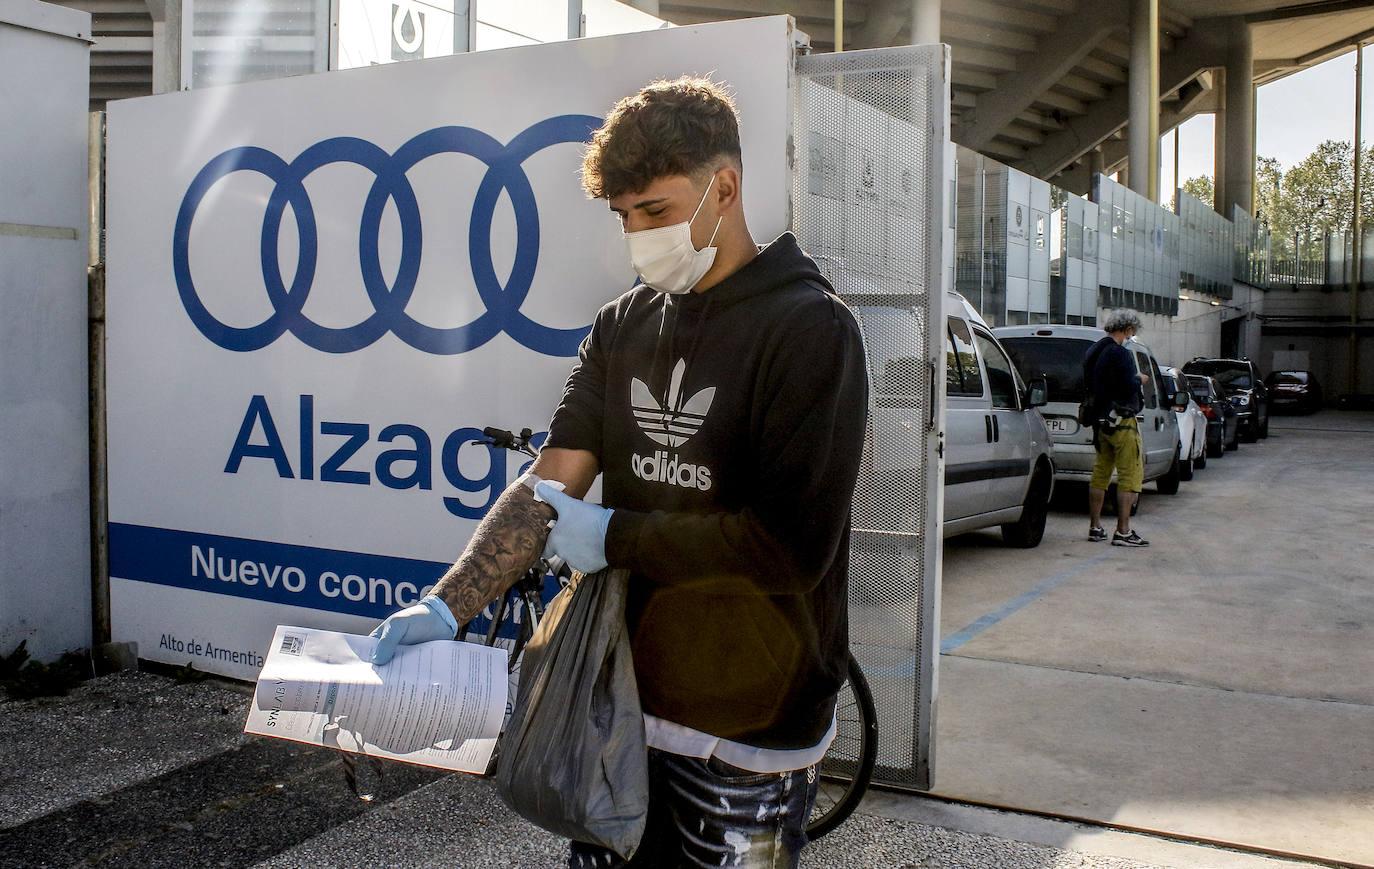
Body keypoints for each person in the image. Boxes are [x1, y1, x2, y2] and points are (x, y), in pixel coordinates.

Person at [368, 76, 869, 868]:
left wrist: (616, 535)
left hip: (749, 735)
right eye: (624, 216)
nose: (638, 235)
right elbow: (549, 484)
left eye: (656, 212)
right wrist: (446, 603)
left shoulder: (811, 330)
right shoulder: (623, 324)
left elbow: (789, 549)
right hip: (620, 708)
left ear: (725, 188)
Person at [1084, 310, 1149, 547]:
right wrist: (1139, 379)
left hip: (1100, 423)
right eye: (1133, 331)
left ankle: (1095, 526)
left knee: (1100, 474)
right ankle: (1123, 531)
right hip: (1122, 423)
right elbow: (1125, 385)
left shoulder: (1094, 350)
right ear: (1128, 328)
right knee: (1129, 476)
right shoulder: (1119, 353)